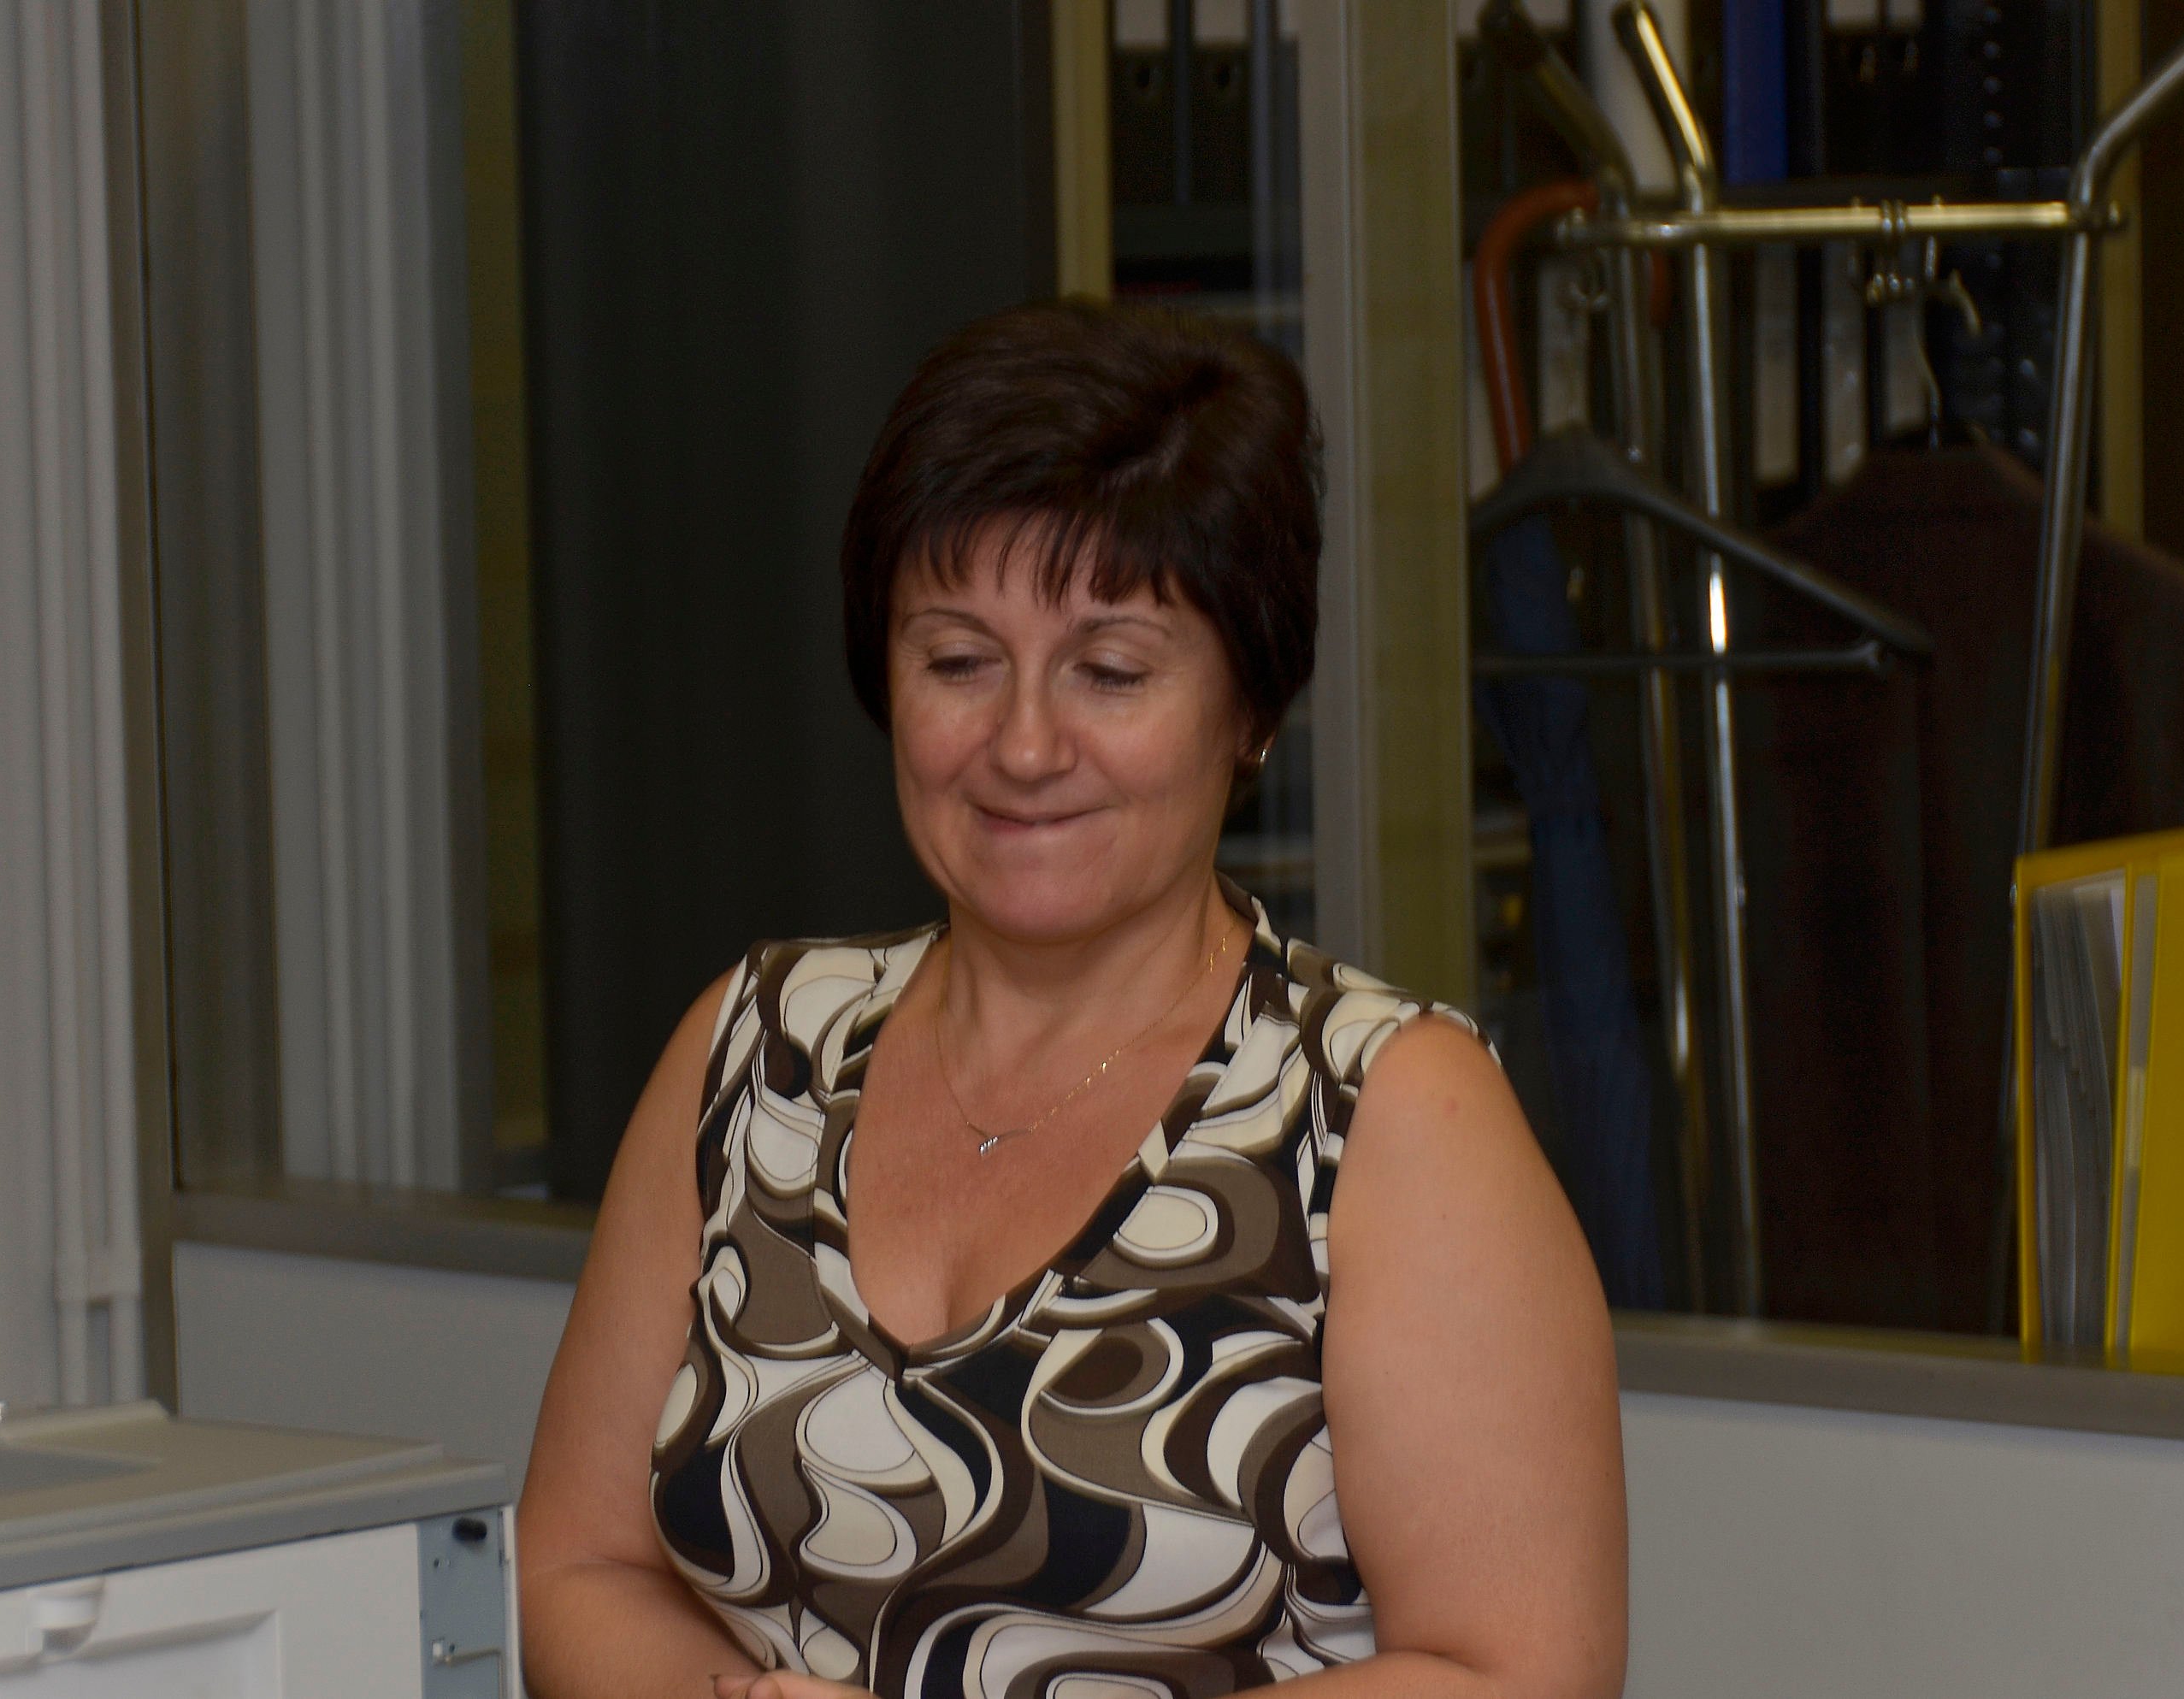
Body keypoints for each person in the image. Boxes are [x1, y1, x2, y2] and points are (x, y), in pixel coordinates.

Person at [515, 300, 1626, 1699]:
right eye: (959, 662)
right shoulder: (752, 1046)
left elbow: (1517, 1675)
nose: (1026, 744)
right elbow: (574, 1565)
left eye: (1110, 671)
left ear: (1251, 709)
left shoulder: (1390, 1118)